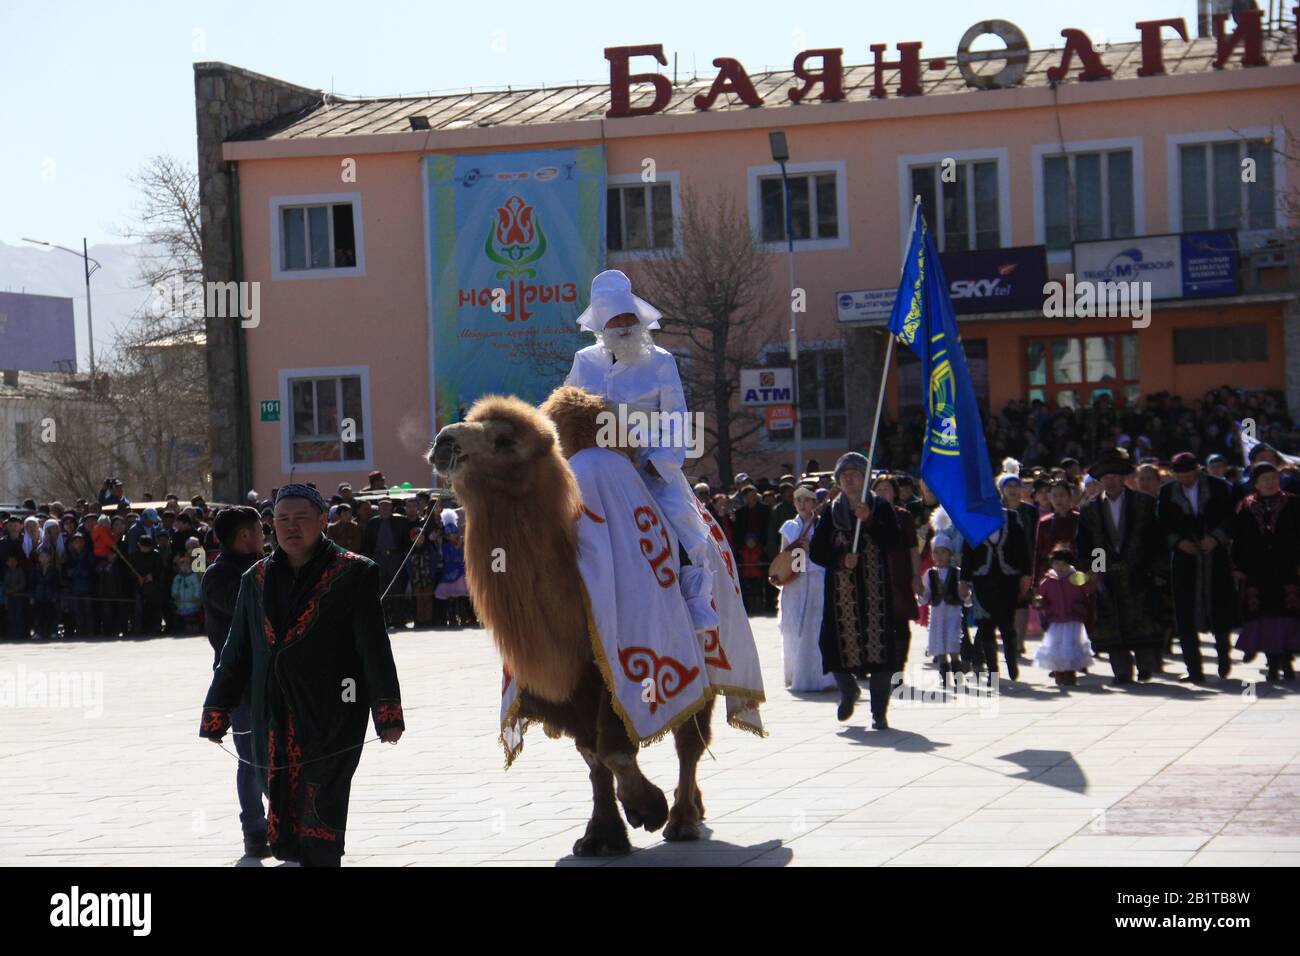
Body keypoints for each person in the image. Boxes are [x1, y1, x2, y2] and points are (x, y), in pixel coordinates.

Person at [198, 485, 405, 867]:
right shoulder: (254, 578)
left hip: (334, 711)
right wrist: (217, 709)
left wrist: (387, 711)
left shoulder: (354, 572)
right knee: (285, 815)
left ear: (323, 521)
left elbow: (373, 648)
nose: (290, 528)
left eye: (301, 519)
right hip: (271, 713)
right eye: (281, 520)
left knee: (322, 810)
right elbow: (237, 651)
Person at [564, 269, 720, 634]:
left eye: (628, 318)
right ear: (602, 325)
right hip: (594, 466)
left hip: (648, 466)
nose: (623, 326)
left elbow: (677, 419)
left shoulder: (661, 360)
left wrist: (659, 462)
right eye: (615, 320)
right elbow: (565, 410)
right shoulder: (583, 361)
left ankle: (696, 599)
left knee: (682, 523)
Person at [808, 452, 900, 730]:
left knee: (880, 653)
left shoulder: (880, 507)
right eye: (844, 475)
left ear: (865, 478)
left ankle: (879, 712)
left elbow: (893, 541)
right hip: (841, 595)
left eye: (855, 474)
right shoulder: (830, 512)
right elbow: (816, 551)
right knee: (832, 645)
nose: (849, 479)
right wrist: (840, 559)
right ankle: (848, 691)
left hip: (876, 594)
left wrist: (870, 520)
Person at [201, 506, 271, 858]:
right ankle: (255, 830)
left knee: (282, 754)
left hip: (276, 680)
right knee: (252, 760)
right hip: (241, 686)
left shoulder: (266, 566)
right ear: (244, 535)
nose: (265, 534)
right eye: (261, 529)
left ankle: (285, 821)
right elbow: (244, 605)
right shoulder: (219, 575)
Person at [1075, 449, 1164, 684]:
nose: (1110, 480)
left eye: (1115, 475)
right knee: (1111, 621)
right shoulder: (1090, 509)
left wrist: (1157, 569)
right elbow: (1086, 543)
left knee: (1142, 617)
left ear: (1124, 477)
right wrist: (1095, 571)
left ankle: (1145, 666)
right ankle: (1121, 670)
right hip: (1108, 573)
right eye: (1105, 476)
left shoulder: (1144, 503)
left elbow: (1156, 539)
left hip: (1139, 570)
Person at [1156, 452, 1238, 682]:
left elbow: (1231, 517)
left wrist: (1216, 538)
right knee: (1184, 613)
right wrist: (1179, 543)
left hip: (1214, 554)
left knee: (1220, 607)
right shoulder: (1168, 491)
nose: (1185, 479)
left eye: (1189, 474)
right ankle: (1194, 669)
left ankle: (1224, 657)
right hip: (1184, 557)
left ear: (1198, 470)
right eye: (1180, 475)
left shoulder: (1218, 487)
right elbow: (1162, 524)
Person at [1231, 462, 1300, 682]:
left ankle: (1288, 662)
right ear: (1255, 483)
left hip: (1288, 569)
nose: (1270, 482)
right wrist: (1238, 567)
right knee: (1265, 617)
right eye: (1265, 479)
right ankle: (1272, 663)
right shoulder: (1246, 506)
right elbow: (1238, 540)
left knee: (1288, 615)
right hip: (1257, 572)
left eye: (1273, 478)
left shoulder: (1293, 503)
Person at [961, 475, 1031, 682]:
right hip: (982, 580)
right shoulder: (974, 521)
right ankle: (992, 669)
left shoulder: (1010, 518)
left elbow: (1022, 549)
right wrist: (963, 580)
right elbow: (968, 553)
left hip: (1007, 580)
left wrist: (1026, 574)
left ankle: (1011, 663)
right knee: (985, 625)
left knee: (1007, 625)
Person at [774, 486, 835, 692]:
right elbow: (783, 555)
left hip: (817, 579)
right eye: (798, 500)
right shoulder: (789, 527)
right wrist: (780, 574)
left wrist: (812, 548)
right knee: (793, 627)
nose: (802, 504)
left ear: (813, 503)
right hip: (794, 583)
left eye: (806, 500)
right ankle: (795, 673)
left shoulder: (822, 525)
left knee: (816, 627)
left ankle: (822, 676)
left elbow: (827, 552)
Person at [874, 475, 921, 670]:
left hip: (899, 576)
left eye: (887, 488)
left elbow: (912, 547)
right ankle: (880, 665)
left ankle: (898, 665)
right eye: (879, 489)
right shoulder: (866, 516)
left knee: (901, 623)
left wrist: (916, 575)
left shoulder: (903, 516)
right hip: (874, 577)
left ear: (895, 493)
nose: (883, 492)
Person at [1033, 546, 1095, 687]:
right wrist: (1039, 602)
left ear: (1070, 564)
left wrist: (1090, 580)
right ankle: (1058, 672)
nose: (1060, 567)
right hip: (1055, 619)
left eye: (1064, 564)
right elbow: (1043, 596)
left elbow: (1089, 590)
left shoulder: (1076, 577)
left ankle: (1069, 673)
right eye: (1057, 564)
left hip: (1073, 618)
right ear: (1052, 564)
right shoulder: (1048, 580)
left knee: (1071, 646)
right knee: (1056, 646)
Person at [920, 533, 970, 686]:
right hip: (936, 614)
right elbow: (925, 594)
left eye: (943, 552)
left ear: (950, 554)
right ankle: (944, 675)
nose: (940, 556)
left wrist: (966, 596)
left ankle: (957, 672)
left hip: (952, 613)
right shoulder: (930, 574)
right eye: (936, 552)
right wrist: (920, 595)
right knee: (939, 644)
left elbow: (965, 595)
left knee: (953, 642)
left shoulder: (957, 573)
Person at [361, 497, 411, 629]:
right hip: (378, 558)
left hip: (395, 557)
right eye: (382, 506)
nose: (385, 508)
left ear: (392, 507)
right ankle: (383, 620)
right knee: (380, 589)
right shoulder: (372, 523)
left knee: (397, 588)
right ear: (378, 508)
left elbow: (406, 541)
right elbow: (367, 544)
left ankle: (399, 619)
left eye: (387, 506)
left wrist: (404, 557)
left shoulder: (401, 521)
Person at [31, 550, 62, 639]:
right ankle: (38, 632)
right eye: (41, 556)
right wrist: (32, 596)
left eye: (46, 556)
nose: (43, 558)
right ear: (39, 558)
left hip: (50, 596)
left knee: (52, 615)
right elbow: (32, 584)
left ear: (49, 558)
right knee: (38, 616)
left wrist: (55, 596)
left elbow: (57, 584)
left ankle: (53, 632)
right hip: (38, 596)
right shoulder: (35, 569)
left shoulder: (54, 570)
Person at [170, 556, 203, 633]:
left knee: (192, 616)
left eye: (186, 566)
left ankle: (194, 628)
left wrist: (197, 595)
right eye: (182, 566)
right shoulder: (178, 577)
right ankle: (184, 628)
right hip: (181, 601)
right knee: (183, 617)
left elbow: (197, 586)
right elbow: (175, 586)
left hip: (192, 600)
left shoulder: (193, 577)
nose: (184, 568)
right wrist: (174, 594)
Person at [5, 556, 28, 639]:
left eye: (13, 561)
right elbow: (5, 584)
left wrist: (14, 590)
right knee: (11, 616)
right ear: (7, 563)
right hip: (9, 598)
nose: (11, 563)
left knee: (19, 615)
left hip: (19, 596)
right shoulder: (6, 572)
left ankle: (20, 633)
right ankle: (12, 633)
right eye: (9, 561)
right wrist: (8, 591)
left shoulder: (20, 571)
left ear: (16, 562)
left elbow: (23, 584)